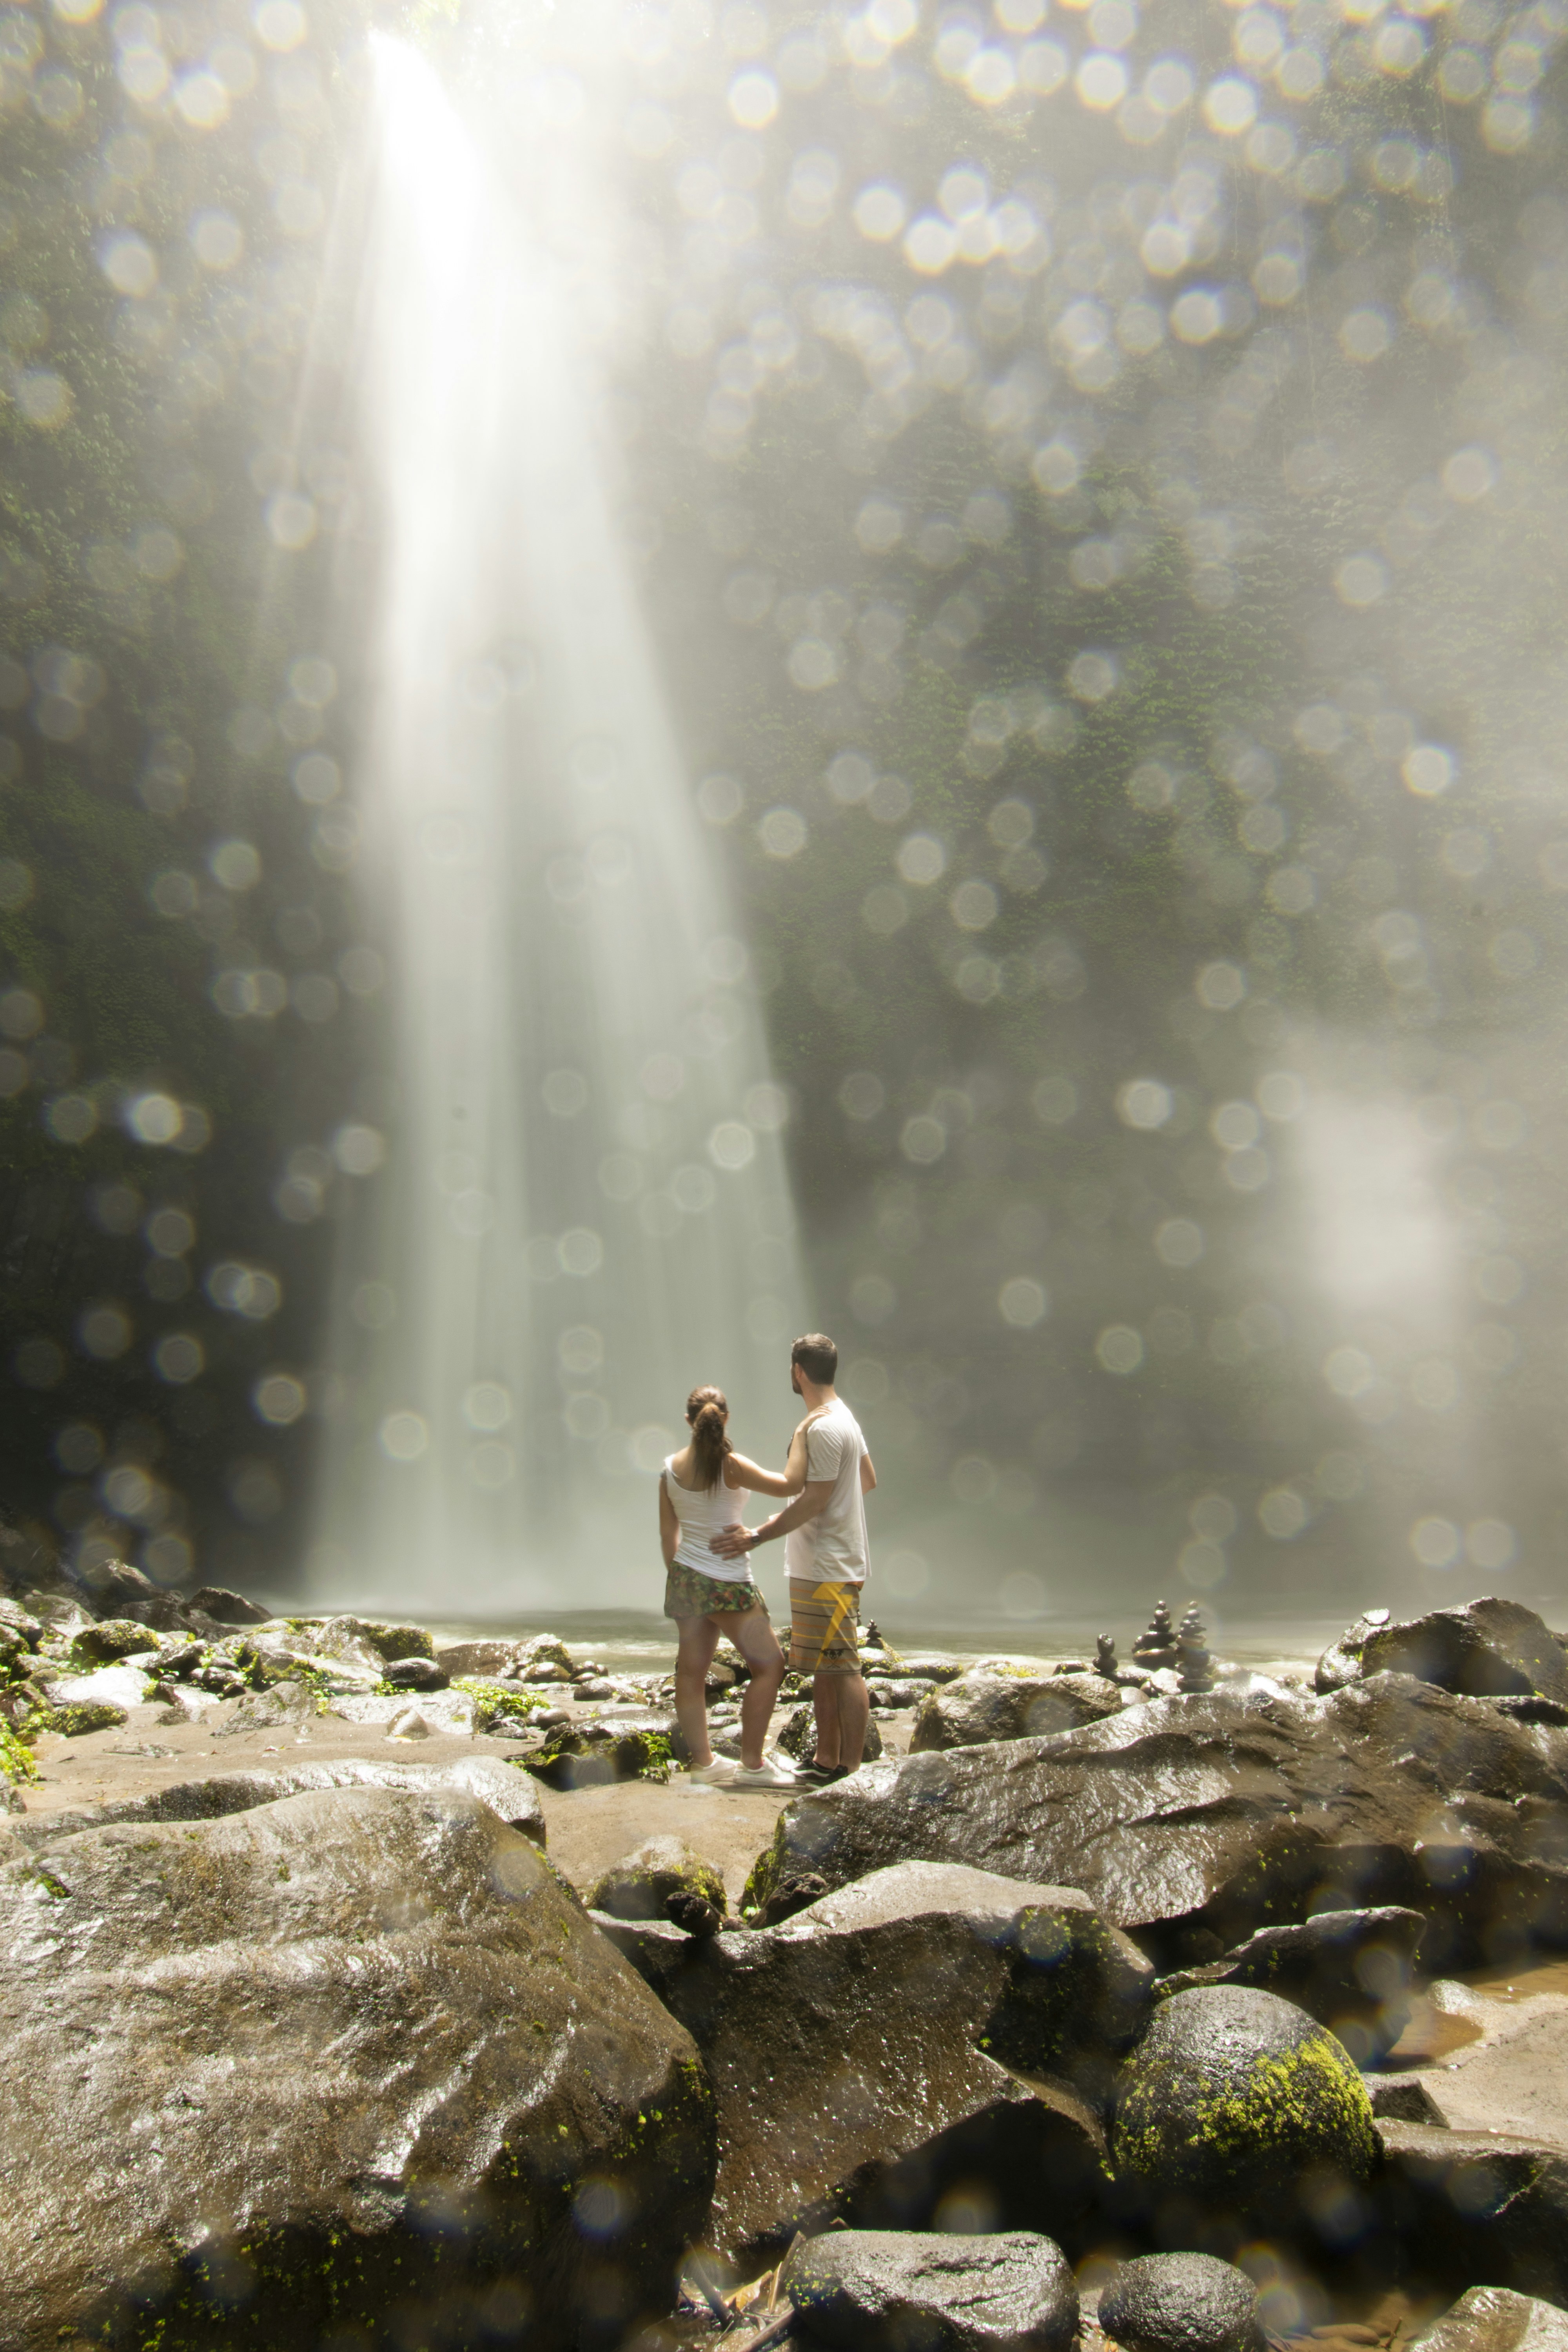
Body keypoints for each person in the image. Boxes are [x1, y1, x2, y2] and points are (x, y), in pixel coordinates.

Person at [711, 1332, 875, 1788]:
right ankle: (826, 1761)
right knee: (825, 1666)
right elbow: (865, 1480)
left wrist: (761, 1534)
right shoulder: (845, 1418)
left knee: (843, 1666)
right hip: (823, 1560)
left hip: (828, 1566)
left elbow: (819, 1496)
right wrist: (807, 1512)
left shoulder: (822, 1427)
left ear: (798, 1371)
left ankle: (853, 1771)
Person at [659, 1383, 806, 1789]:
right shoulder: (733, 1466)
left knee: (690, 1674)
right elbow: (790, 1486)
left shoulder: (669, 1469)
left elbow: (667, 1537)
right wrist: (801, 1445)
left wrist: (682, 1577)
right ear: (725, 1419)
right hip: (728, 1582)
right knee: (770, 1666)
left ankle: (704, 1763)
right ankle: (753, 1765)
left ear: (689, 1422)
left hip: (686, 1578)